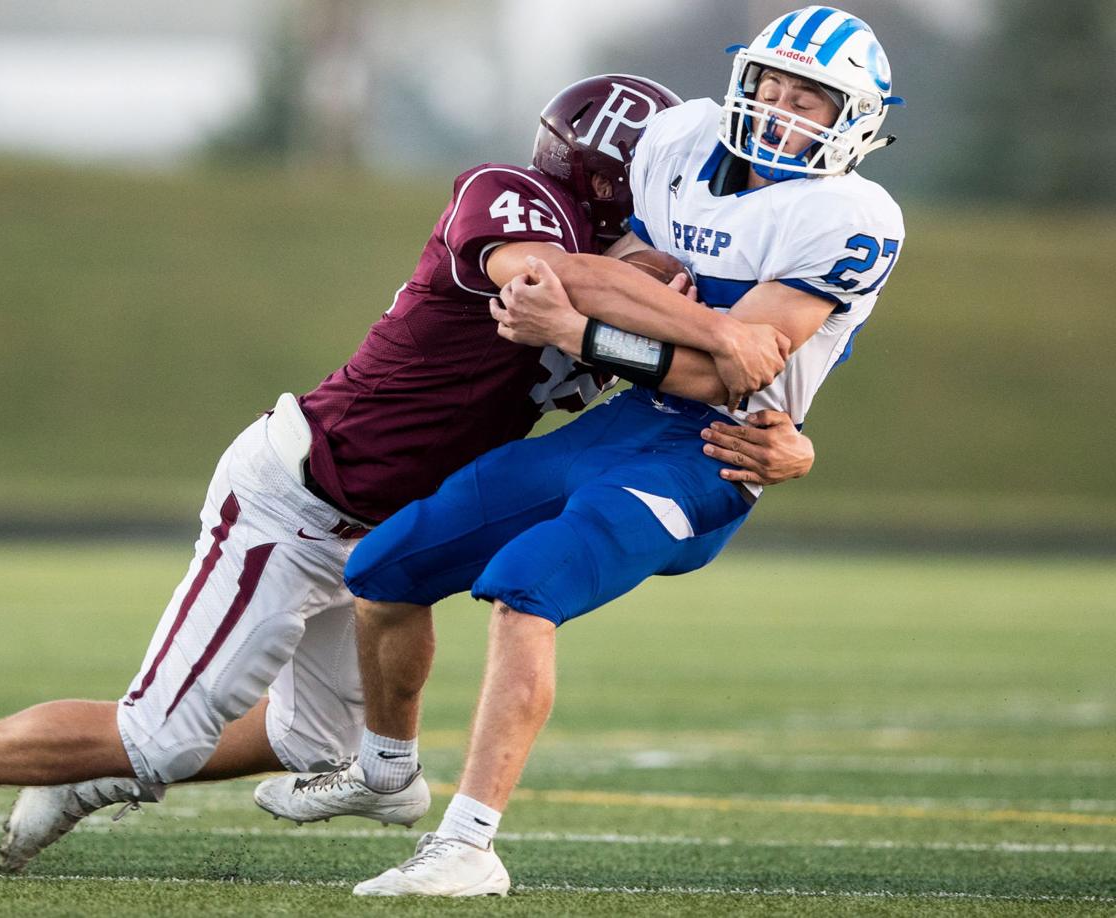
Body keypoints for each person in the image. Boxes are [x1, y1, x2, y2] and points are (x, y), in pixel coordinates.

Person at [0, 74, 812, 879]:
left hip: (377, 521)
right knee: (160, 733)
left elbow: (694, 379)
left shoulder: (644, 271)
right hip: (301, 493)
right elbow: (546, 275)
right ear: (624, 168)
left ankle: (95, 775)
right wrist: (701, 318)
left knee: (309, 735)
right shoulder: (508, 194)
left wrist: (790, 442)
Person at [254, 6, 905, 897]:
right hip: (623, 423)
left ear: (856, 123)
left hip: (712, 452)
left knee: (529, 584)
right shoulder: (678, 142)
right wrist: (618, 308)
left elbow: (723, 378)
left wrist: (581, 330)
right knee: (383, 567)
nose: (784, 109)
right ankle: (385, 773)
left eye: (812, 100)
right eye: (773, 85)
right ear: (742, 79)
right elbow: (593, 268)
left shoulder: (850, 216)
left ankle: (469, 847)